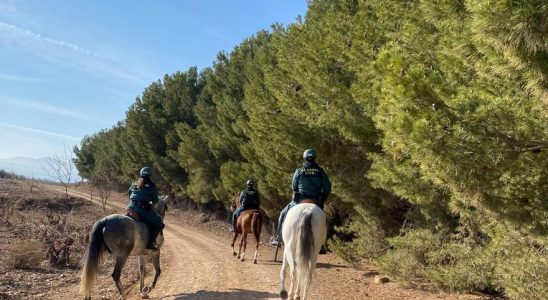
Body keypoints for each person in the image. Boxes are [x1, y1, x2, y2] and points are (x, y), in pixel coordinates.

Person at [274, 149, 331, 252]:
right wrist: (323, 198)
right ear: (315, 158)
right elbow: (327, 187)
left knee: (282, 214)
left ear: (304, 159)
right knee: (323, 220)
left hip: (300, 200)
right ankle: (322, 244)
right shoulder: (321, 171)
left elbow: (294, 187)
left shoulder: (299, 171)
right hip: (315, 200)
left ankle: (278, 238)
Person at [127, 167, 165, 250]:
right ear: (150, 175)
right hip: (141, 209)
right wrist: (150, 204)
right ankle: (150, 244)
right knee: (159, 225)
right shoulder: (151, 186)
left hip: (130, 207)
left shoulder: (134, 183)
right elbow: (155, 200)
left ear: (141, 174)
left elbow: (129, 194)